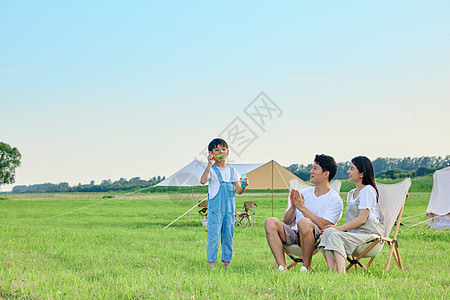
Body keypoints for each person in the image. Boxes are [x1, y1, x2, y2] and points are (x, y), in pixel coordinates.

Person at [264, 154, 343, 272]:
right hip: (294, 233)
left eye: (315, 168)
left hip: (316, 237)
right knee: (270, 222)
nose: (311, 171)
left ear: (326, 174)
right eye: (312, 168)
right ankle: (282, 267)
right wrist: (294, 207)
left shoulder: (334, 199)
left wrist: (303, 208)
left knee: (304, 222)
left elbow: (326, 225)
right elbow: (286, 221)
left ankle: (306, 267)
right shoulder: (303, 193)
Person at [318, 156, 383, 273]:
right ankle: (331, 270)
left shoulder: (367, 190)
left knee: (335, 235)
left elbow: (362, 219)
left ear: (362, 174)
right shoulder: (351, 193)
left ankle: (340, 272)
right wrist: (335, 229)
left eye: (352, 169)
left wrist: (338, 228)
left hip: (369, 236)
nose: (348, 171)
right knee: (327, 232)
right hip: (354, 235)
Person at [200, 138, 248, 269]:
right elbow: (203, 181)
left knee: (228, 236)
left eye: (223, 149)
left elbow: (239, 191)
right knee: (213, 236)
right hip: (215, 210)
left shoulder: (232, 171)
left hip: (229, 210)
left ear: (228, 152)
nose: (221, 151)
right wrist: (209, 164)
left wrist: (244, 185)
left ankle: (227, 263)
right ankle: (211, 263)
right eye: (217, 150)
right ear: (211, 153)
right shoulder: (212, 170)